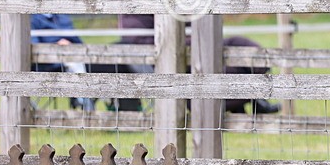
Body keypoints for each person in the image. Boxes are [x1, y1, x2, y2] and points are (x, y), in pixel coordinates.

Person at [113, 14, 281, 114]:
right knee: (224, 71)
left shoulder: (171, 7)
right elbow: (150, 43)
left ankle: (258, 92)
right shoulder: (136, 19)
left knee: (240, 43)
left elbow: (192, 26)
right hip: (177, 60)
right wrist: (194, 42)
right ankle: (253, 96)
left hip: (196, 49)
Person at [30, 13, 96, 111]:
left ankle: (83, 98)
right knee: (74, 62)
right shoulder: (33, 20)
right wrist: (56, 46)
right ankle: (84, 99)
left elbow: (78, 42)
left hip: (71, 57)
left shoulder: (62, 18)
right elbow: (34, 46)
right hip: (47, 64)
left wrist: (69, 45)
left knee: (85, 62)